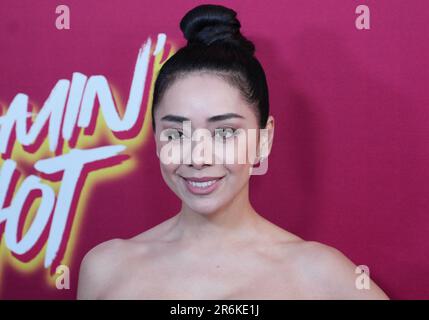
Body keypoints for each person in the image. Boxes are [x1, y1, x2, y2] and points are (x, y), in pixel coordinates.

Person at [77, 4, 389, 300]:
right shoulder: (105, 268)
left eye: (224, 132)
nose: (198, 158)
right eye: (176, 133)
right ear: (157, 137)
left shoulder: (320, 275)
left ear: (263, 140)